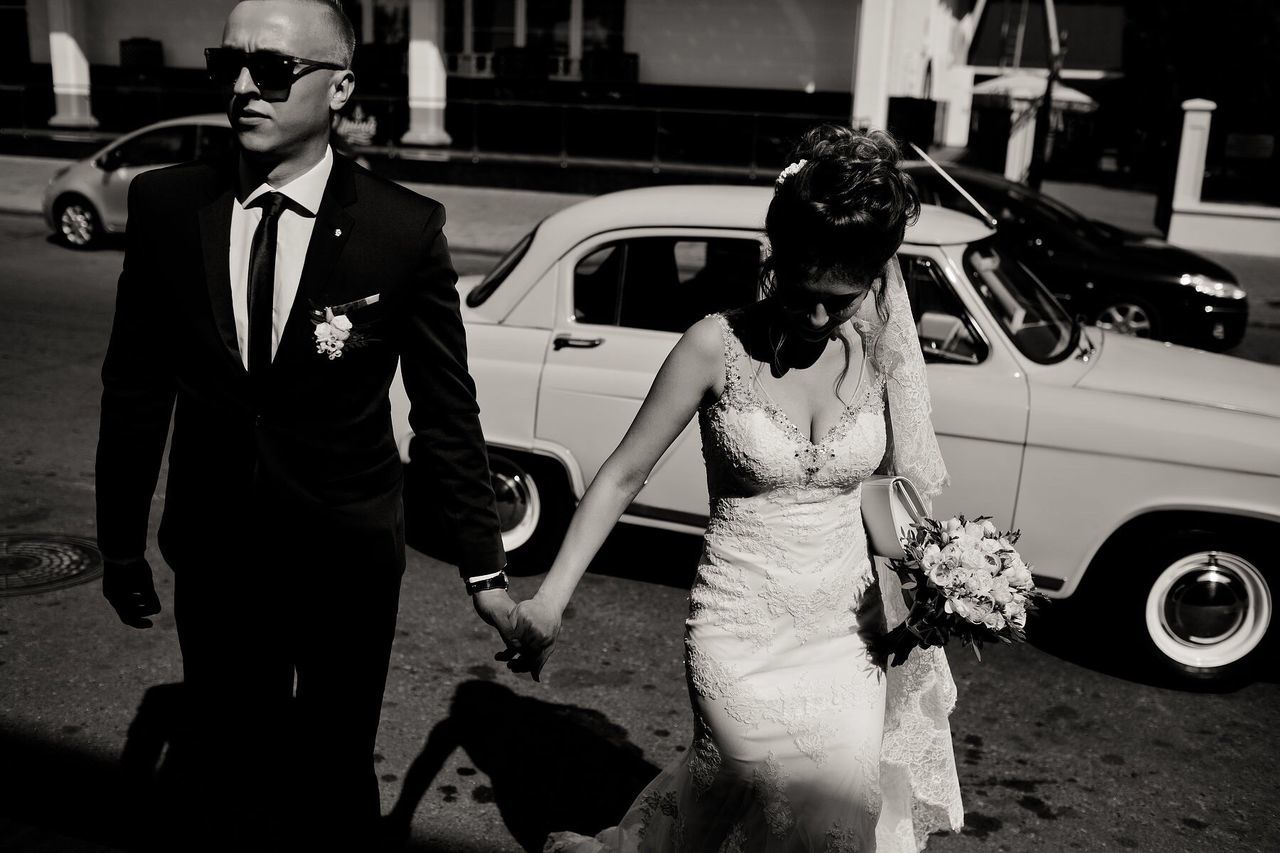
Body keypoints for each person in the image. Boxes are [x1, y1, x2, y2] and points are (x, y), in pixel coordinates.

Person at [95, 1, 515, 848]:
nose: (246, 87)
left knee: (333, 768)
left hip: (345, 559)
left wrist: (484, 568)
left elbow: (444, 407)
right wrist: (118, 544)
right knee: (228, 766)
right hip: (216, 552)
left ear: (341, 88)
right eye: (230, 65)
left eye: (276, 70)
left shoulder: (402, 228)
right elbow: (135, 386)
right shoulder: (168, 205)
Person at [505, 126, 964, 851]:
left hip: (848, 637)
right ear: (773, 259)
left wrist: (934, 583)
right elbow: (623, 472)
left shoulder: (880, 352)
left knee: (835, 820)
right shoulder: (713, 345)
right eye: (806, 293)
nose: (819, 316)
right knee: (750, 783)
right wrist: (551, 599)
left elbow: (884, 493)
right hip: (737, 632)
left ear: (876, 280)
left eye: (840, 300)